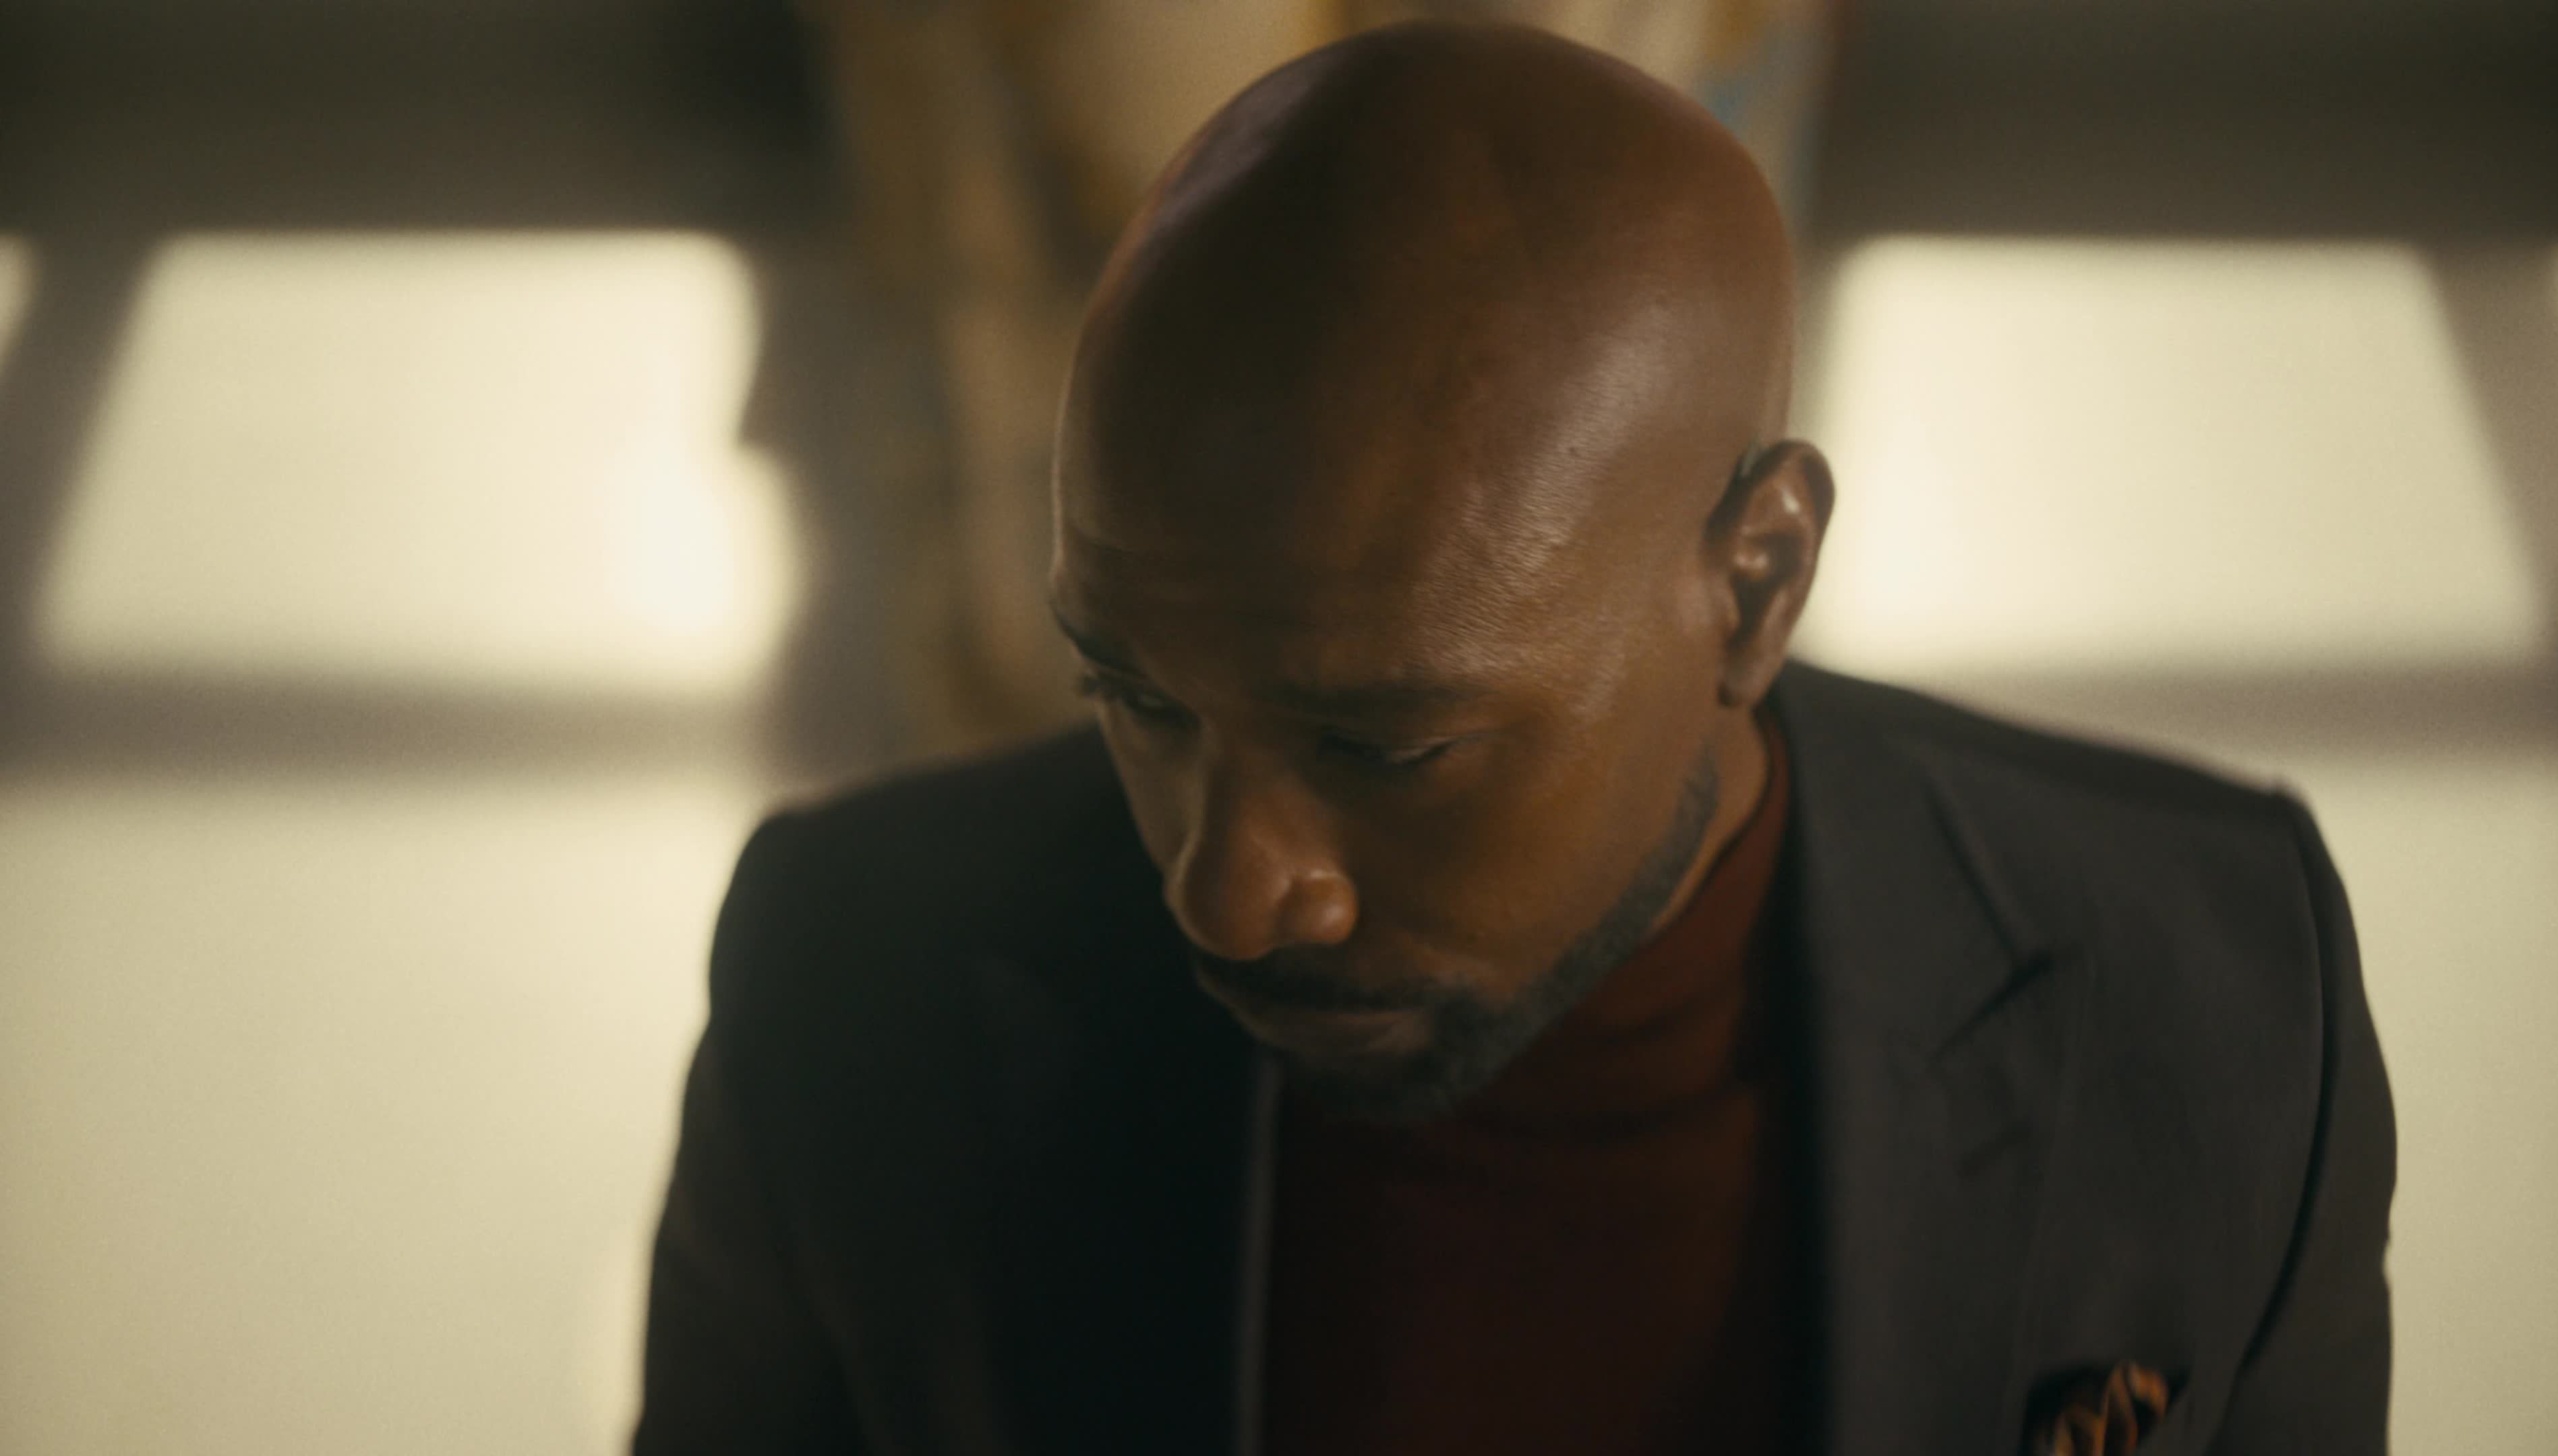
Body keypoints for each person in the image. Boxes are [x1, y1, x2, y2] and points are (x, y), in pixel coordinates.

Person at [635, 22, 2393, 1455]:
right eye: (1140, 697)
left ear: (1755, 585)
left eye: (1385, 747)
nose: (1226, 893)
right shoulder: (848, 984)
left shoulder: (2219, 989)